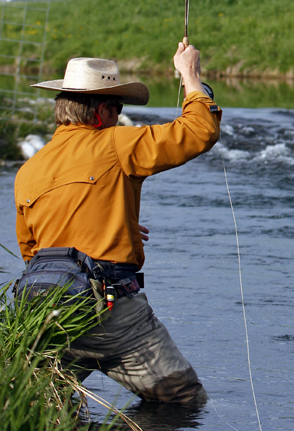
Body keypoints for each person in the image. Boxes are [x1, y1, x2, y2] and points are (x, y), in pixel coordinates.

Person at [13, 42, 221, 404]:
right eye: (118, 107)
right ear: (102, 111)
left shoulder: (29, 169)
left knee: (47, 408)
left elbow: (33, 252)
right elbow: (199, 131)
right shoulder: (115, 143)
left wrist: (114, 220)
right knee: (183, 401)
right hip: (111, 311)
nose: (119, 116)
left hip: (46, 313)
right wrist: (191, 75)